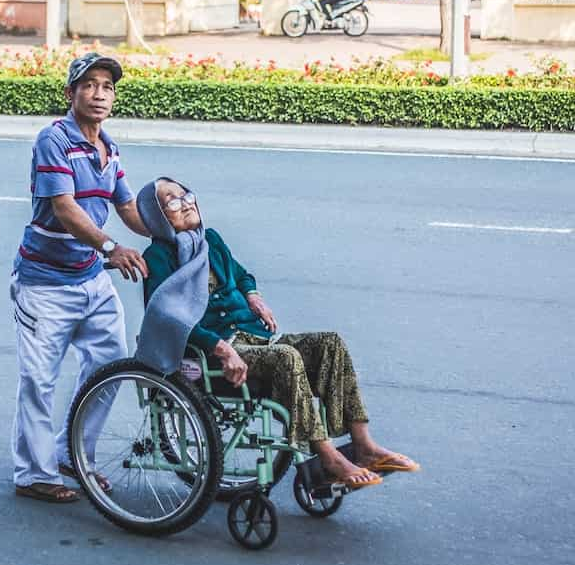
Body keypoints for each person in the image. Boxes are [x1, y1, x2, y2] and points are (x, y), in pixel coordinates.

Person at [137, 178, 421, 490]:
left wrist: (253, 296)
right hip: (213, 354)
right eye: (172, 201)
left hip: (253, 336)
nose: (186, 202)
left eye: (185, 194)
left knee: (330, 344)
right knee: (286, 358)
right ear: (156, 216)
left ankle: (363, 445)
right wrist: (220, 348)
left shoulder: (210, 240)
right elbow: (167, 317)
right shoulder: (159, 258)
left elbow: (242, 275)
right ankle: (327, 458)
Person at [10, 54, 151, 504]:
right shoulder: (53, 140)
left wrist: (178, 229)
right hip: (44, 284)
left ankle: (73, 453)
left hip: (90, 280)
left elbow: (130, 210)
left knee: (108, 368)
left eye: (107, 86)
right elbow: (65, 208)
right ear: (70, 94)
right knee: (39, 380)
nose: (99, 94)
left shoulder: (109, 150)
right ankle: (34, 473)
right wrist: (112, 248)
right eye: (88, 85)